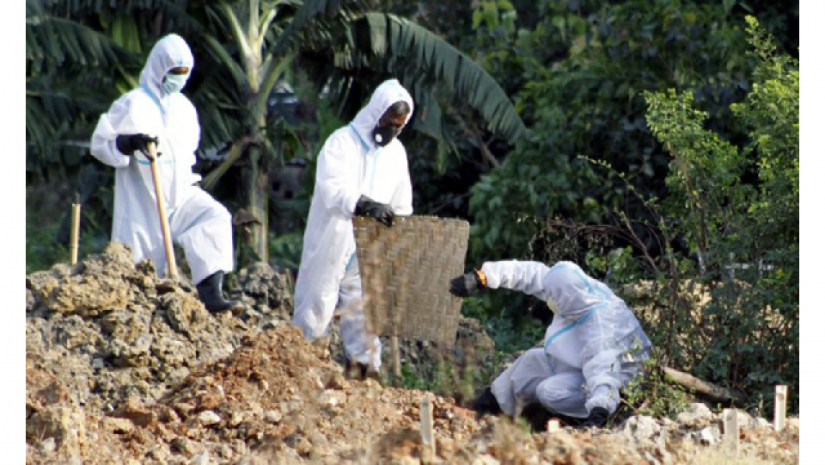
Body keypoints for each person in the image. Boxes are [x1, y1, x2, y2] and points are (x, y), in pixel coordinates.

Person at [90, 34, 243, 314]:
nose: (179, 79)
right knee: (141, 271)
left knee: (214, 217)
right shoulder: (132, 103)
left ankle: (211, 291)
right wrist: (127, 142)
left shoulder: (184, 108)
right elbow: (101, 144)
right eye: (174, 72)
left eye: (184, 73)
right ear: (160, 69)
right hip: (143, 202)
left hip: (180, 192)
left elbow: (189, 152)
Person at [293, 79, 415, 377]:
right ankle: (302, 371)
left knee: (364, 314)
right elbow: (331, 188)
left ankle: (364, 376)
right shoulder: (341, 142)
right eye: (388, 122)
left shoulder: (396, 154)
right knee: (316, 305)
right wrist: (363, 204)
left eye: (398, 126)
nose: (392, 130)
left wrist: (396, 232)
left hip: (368, 247)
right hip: (332, 240)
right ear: (376, 114)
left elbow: (402, 204)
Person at [450, 260, 652, 428]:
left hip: (621, 379)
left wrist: (599, 410)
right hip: (583, 364)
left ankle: (576, 419)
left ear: (564, 299)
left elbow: (603, 369)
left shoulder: (600, 327)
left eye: (552, 296)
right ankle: (485, 407)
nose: (547, 298)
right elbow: (529, 274)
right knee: (532, 360)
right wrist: (482, 277)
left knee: (549, 391)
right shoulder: (574, 291)